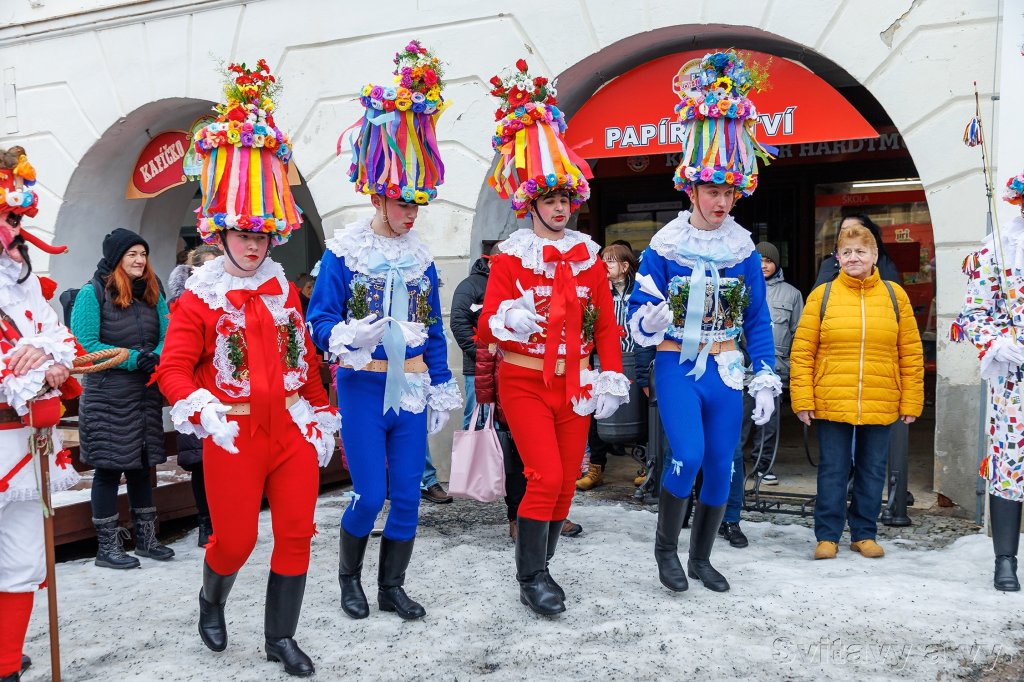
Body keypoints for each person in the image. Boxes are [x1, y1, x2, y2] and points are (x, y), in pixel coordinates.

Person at [156, 59, 338, 677]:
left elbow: (305, 364)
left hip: (288, 432)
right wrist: (201, 407)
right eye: (244, 235)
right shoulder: (199, 296)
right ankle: (212, 598)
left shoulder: (284, 290)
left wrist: (321, 412)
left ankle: (279, 638)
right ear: (223, 233)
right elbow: (173, 369)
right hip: (232, 434)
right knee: (233, 540)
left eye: (265, 236)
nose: (256, 246)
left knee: (295, 532)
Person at [306, 39, 460, 623]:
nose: (411, 214)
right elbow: (320, 318)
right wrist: (344, 337)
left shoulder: (421, 259)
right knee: (369, 494)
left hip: (414, 388)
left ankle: (392, 585)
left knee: (407, 499)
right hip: (365, 387)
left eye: (418, 203)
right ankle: (350, 579)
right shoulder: (346, 252)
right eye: (402, 203)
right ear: (377, 194)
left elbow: (434, 329)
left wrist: (444, 384)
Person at [477, 58, 628, 615]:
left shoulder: (589, 255)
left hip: (576, 384)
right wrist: (506, 320)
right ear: (533, 203)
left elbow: (606, 323)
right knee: (542, 475)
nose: (561, 208)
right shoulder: (511, 256)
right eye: (551, 199)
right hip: (523, 379)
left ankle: (545, 566)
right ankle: (532, 577)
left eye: (567, 200)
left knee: (566, 483)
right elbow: (488, 320)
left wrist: (609, 371)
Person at [628, 51, 781, 594]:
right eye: (713, 191)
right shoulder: (665, 246)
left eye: (729, 191)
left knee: (723, 466)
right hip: (676, 363)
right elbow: (635, 318)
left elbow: (758, 318)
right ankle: (666, 549)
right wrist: (648, 319)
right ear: (690, 189)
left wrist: (764, 373)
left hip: (726, 367)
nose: (722, 201)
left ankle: (702, 558)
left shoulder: (742, 249)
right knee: (687, 455)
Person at [790, 224, 923, 561]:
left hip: (881, 396)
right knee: (832, 469)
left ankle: (864, 533)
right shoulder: (822, 295)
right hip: (832, 398)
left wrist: (911, 399)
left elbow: (910, 351)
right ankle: (827, 536)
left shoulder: (895, 295)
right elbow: (803, 351)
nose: (853, 258)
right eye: (846, 252)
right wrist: (803, 398)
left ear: (874, 256)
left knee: (872, 469)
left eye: (860, 252)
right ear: (837, 257)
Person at [0, 146, 80, 682]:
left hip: (27, 442)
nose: (19, 228)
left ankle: (5, 661)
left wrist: (49, 355)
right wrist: (27, 361)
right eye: (11, 217)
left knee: (24, 554)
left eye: (21, 217)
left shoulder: (25, 282)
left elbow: (62, 338)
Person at [70, 227, 175, 569]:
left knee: (144, 467)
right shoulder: (92, 293)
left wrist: (156, 355)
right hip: (108, 398)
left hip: (144, 394)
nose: (140, 260)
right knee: (109, 470)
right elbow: (85, 346)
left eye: (143, 254)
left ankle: (146, 540)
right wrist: (133, 358)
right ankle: (107, 547)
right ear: (117, 258)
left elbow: (168, 331)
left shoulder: (153, 291)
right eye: (132, 254)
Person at [952, 169, 1024, 590]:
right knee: (1010, 466)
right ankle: (1005, 561)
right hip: (1014, 382)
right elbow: (974, 314)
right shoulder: (996, 251)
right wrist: (1000, 342)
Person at [720, 241, 804, 548]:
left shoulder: (792, 294)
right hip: (740, 369)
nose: (763, 265)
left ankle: (763, 468)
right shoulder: (738, 287)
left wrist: (792, 370)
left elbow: (799, 333)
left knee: (769, 425)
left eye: (769, 261)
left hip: (774, 368)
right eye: (759, 260)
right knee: (739, 427)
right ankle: (730, 476)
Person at [577, 243, 656, 491]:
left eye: (610, 261)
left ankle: (646, 465)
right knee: (597, 414)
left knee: (641, 412)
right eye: (603, 259)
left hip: (635, 357)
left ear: (625, 266)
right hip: (603, 361)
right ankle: (596, 468)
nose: (605, 265)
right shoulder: (595, 291)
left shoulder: (640, 290)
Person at [167, 244, 221, 547]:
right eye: (208, 267)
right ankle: (205, 521)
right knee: (201, 463)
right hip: (198, 390)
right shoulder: (186, 304)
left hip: (226, 389)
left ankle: (225, 518)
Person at [813, 213, 899, 288]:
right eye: (843, 231)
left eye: (855, 230)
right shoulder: (828, 264)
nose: (849, 234)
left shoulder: (884, 263)